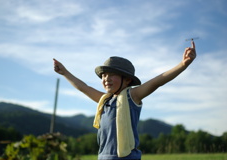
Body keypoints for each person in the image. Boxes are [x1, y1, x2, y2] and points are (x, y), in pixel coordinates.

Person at [53, 41, 196, 160]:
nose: (106, 79)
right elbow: (84, 87)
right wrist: (64, 72)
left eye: (112, 75)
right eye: (104, 75)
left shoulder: (132, 96)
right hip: (103, 157)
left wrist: (183, 64)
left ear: (127, 80)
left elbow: (156, 82)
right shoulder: (105, 100)